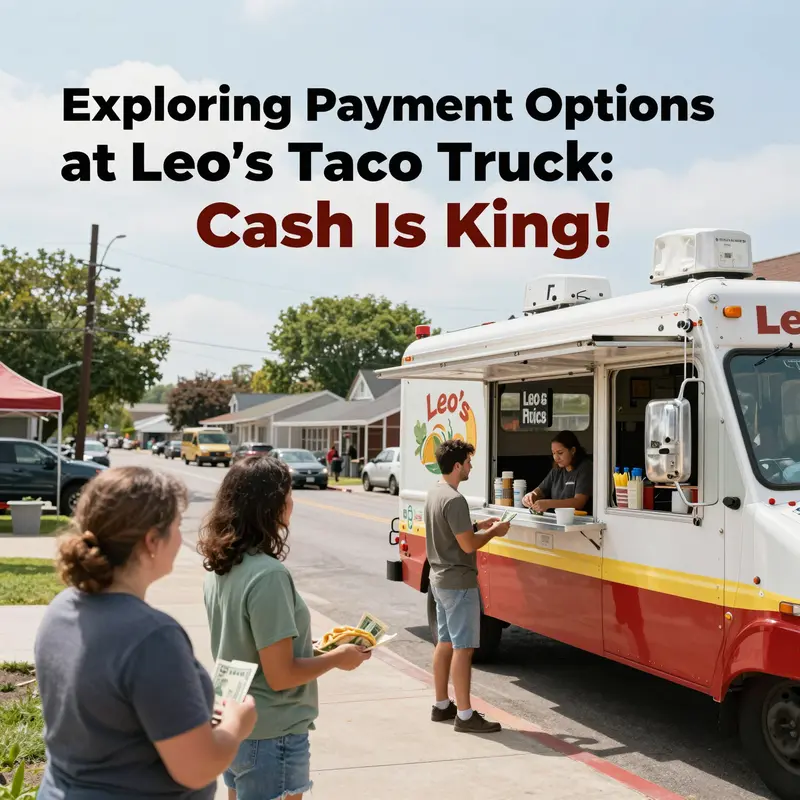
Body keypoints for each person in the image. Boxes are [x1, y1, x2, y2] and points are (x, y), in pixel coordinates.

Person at [34, 466, 257, 799]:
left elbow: (109, 717)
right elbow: (197, 768)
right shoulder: (152, 638)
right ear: (152, 541)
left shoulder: (61, 609)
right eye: (178, 526)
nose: (182, 538)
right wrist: (236, 725)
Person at [198, 455, 372, 800]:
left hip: (234, 720)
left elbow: (247, 648)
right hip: (271, 733)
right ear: (270, 505)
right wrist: (338, 657)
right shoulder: (268, 575)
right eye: (287, 494)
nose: (292, 502)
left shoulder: (223, 567)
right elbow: (280, 675)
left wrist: (317, 650)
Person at [425, 439, 510, 733]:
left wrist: (477, 526)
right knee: (464, 649)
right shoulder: (455, 500)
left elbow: (455, 533)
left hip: (438, 580)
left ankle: (441, 705)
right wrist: (495, 532)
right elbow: (467, 545)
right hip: (459, 584)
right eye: (469, 462)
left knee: (445, 643)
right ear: (458, 465)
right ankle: (464, 715)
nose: (471, 467)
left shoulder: (436, 492)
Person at [522, 430, 593, 515]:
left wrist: (548, 504)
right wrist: (530, 496)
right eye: (553, 453)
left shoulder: (585, 467)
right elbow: (540, 490)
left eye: (560, 453)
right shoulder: (557, 470)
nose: (556, 458)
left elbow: (579, 502)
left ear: (573, 450)